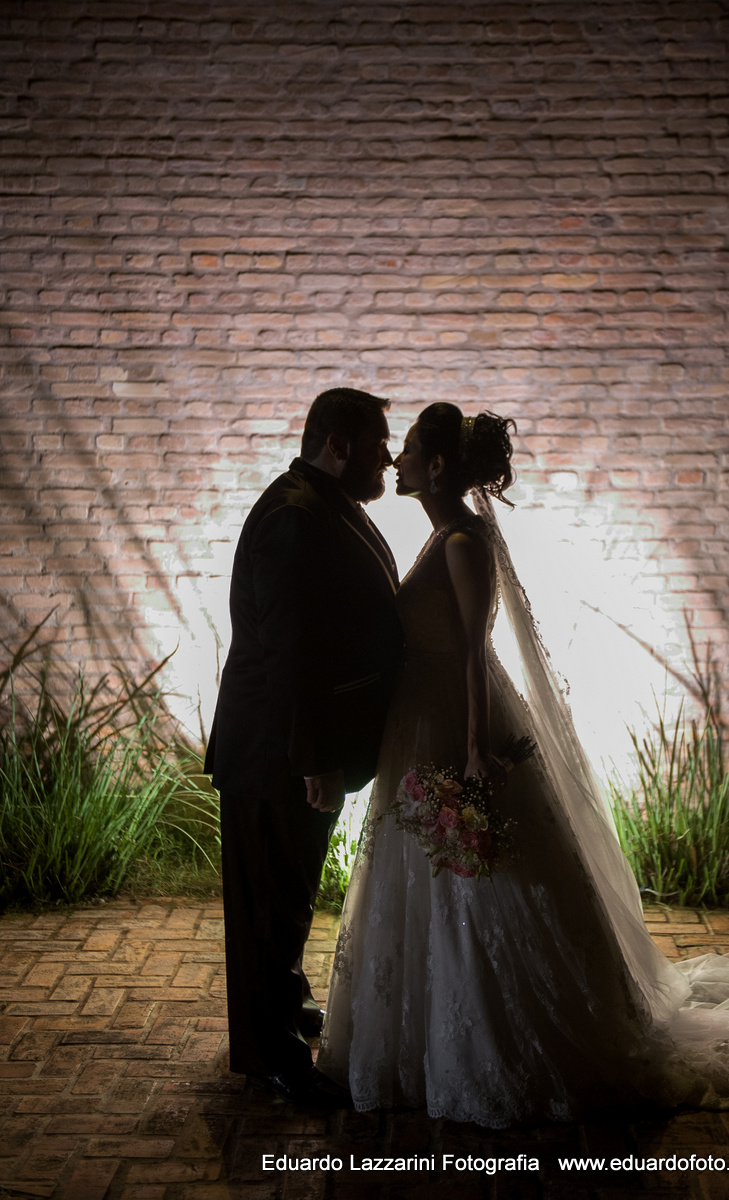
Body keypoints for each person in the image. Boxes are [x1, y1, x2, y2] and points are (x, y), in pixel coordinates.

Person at [318, 401, 729, 1127]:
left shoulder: (461, 542)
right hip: (415, 722)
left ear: (440, 465)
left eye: (409, 447)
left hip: (450, 722)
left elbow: (477, 656)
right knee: (425, 880)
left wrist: (476, 747)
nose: (396, 459)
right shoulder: (439, 537)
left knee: (481, 880)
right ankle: (418, 1043)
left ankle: (504, 1040)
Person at [205, 387, 404, 1107]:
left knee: (286, 899)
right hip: (274, 751)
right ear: (339, 445)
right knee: (267, 905)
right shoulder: (295, 517)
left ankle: (282, 1008)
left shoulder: (323, 504)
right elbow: (291, 651)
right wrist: (313, 757)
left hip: (289, 746)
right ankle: (269, 1056)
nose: (388, 455)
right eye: (380, 442)